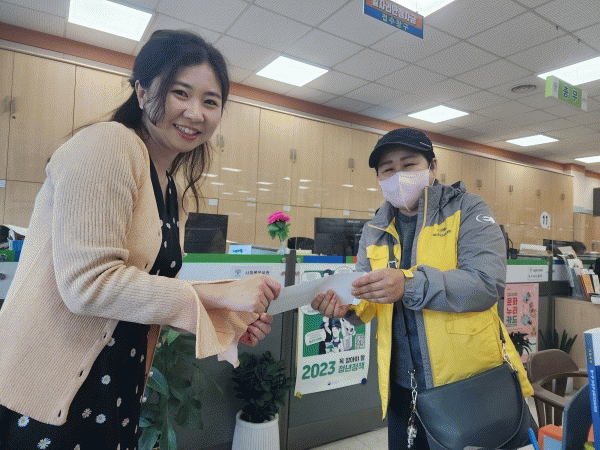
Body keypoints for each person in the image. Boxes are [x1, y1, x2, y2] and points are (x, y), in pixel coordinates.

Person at [0, 30, 280, 450]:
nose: (195, 112)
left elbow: (142, 297)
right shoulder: (108, 144)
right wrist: (216, 294)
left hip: (117, 388)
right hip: (48, 392)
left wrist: (225, 314)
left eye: (210, 101)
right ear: (143, 91)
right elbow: (89, 284)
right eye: (179, 92)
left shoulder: (169, 188)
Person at [311, 128, 534, 450]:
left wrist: (409, 284)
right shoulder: (375, 228)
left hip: (467, 384)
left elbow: (486, 283)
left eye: (408, 164)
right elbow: (367, 296)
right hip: (401, 385)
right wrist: (348, 306)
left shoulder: (468, 209)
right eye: (387, 169)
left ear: (432, 166)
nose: (398, 175)